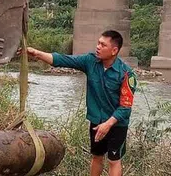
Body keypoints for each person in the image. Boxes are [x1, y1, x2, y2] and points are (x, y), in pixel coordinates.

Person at [26, 30, 137, 176]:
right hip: (97, 120)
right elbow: (62, 60)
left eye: (103, 45)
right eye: (98, 43)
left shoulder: (126, 74)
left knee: (113, 160)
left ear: (114, 50)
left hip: (116, 124)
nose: (98, 46)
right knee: (97, 156)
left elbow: (125, 107)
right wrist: (37, 53)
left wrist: (108, 124)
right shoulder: (90, 61)